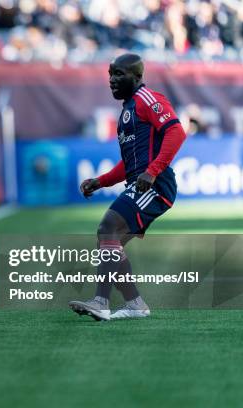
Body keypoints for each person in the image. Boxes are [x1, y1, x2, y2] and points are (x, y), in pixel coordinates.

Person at [69, 53, 186, 321]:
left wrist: (153, 171)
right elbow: (129, 163)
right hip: (141, 183)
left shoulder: (148, 99)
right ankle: (135, 304)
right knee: (110, 244)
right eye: (110, 74)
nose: (112, 79)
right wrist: (101, 181)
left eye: (119, 74)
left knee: (107, 228)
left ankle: (100, 301)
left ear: (137, 77)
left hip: (156, 185)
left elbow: (176, 131)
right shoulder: (128, 109)